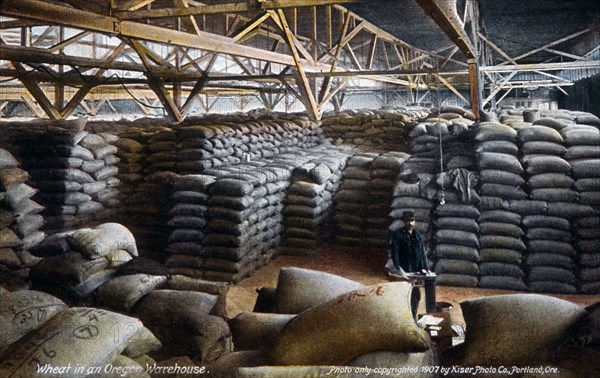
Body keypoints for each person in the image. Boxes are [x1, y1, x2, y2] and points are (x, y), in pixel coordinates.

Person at [388, 210, 430, 318]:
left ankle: (413, 318)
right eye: (408, 221)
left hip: (415, 272)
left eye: (412, 221)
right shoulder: (398, 235)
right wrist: (399, 269)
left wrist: (426, 268)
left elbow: (422, 254)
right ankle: (402, 318)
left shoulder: (417, 236)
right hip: (404, 271)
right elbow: (395, 253)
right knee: (403, 296)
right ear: (404, 222)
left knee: (415, 296)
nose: (410, 223)